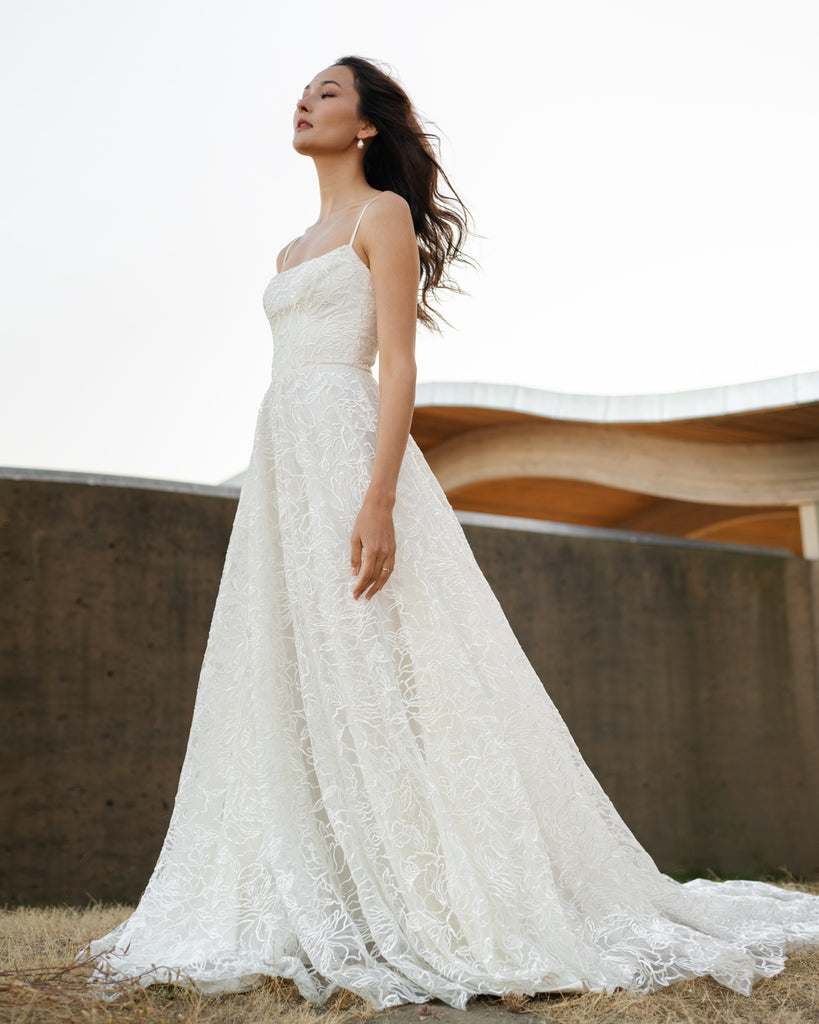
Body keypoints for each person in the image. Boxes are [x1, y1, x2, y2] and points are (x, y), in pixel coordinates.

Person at [83, 56, 819, 1011]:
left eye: (328, 93)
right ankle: (326, 881)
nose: (305, 101)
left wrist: (379, 497)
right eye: (303, 90)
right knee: (302, 665)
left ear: (366, 128)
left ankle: (436, 884)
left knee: (383, 662)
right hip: (284, 460)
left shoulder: (379, 216)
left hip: (351, 450)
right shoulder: (287, 249)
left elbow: (396, 364)